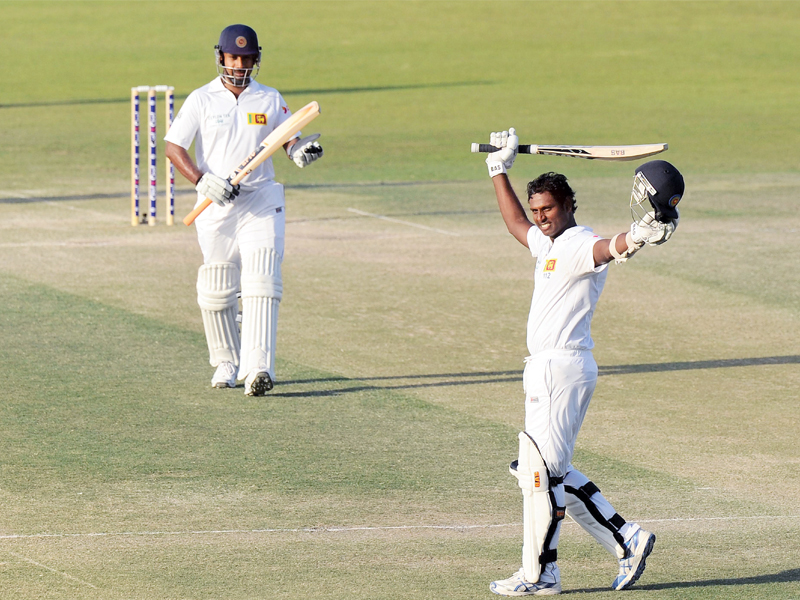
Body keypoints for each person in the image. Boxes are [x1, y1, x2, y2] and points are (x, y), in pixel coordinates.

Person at [483, 129, 684, 596]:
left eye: (548, 209)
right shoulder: (548, 244)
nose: (541, 218)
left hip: (561, 370)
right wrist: (497, 169)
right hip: (550, 369)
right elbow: (516, 225)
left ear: (569, 204)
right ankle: (626, 537)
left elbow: (607, 248)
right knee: (543, 474)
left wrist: (636, 236)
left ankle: (540, 576)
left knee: (540, 478)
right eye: (538, 211)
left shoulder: (576, 243)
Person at [165, 24, 323, 395]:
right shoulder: (202, 99)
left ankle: (258, 369)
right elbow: (174, 147)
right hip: (215, 203)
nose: (240, 64)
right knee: (218, 289)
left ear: (256, 59)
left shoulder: (269, 98)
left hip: (259, 198)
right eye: (234, 57)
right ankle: (226, 361)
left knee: (261, 280)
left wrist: (299, 151)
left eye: (247, 58)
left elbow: (287, 138)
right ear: (220, 57)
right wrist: (202, 180)